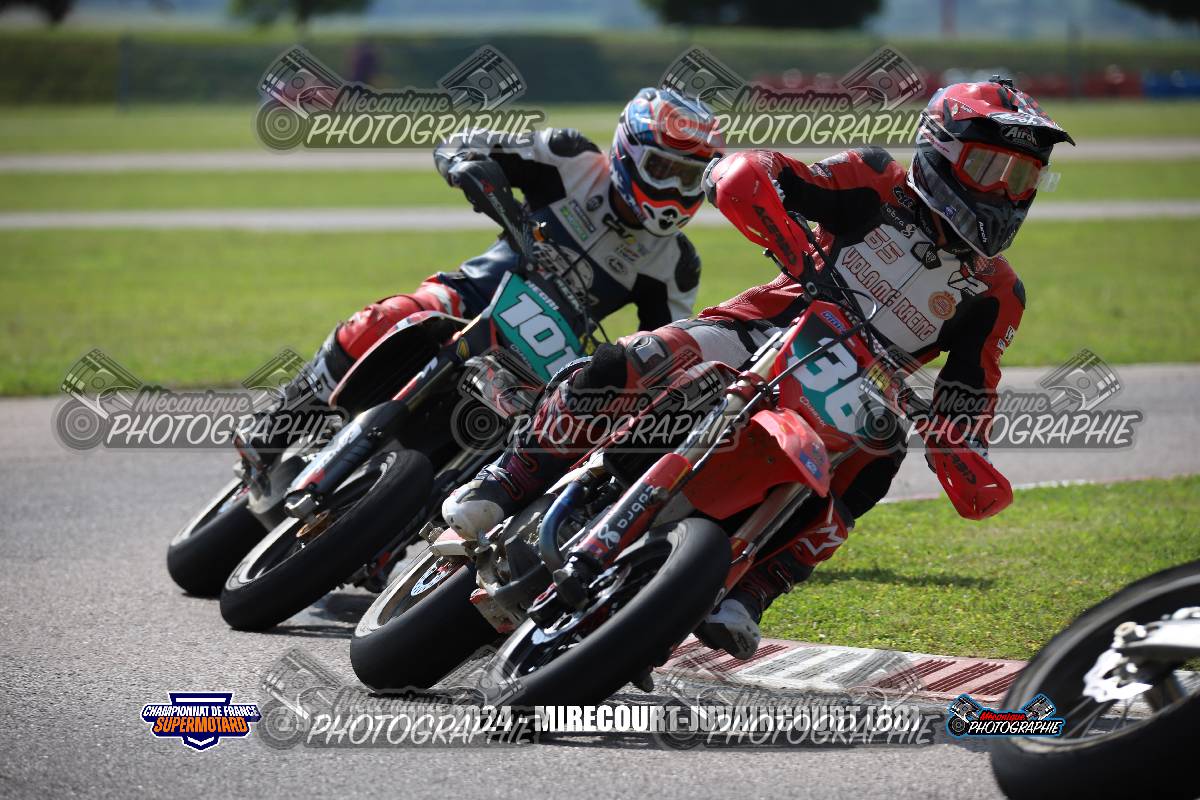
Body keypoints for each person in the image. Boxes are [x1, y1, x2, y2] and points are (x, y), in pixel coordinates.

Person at [442, 78, 1074, 658]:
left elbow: (971, 393)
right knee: (630, 359)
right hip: (760, 329)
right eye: (989, 168)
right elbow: (756, 171)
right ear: (940, 151)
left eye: (1023, 178)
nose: (1004, 192)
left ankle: (753, 592)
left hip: (855, 394)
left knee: (880, 459)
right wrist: (790, 241)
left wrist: (961, 450)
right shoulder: (876, 180)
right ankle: (511, 476)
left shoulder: (999, 292)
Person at [235, 87, 722, 466]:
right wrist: (469, 168)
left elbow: (663, 358)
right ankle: (280, 422)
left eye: (688, 176)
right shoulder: (570, 157)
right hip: (468, 297)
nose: (674, 187)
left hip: (541, 369)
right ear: (629, 151)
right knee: (388, 316)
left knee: (543, 453)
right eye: (663, 168)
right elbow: (464, 143)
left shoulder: (677, 265)